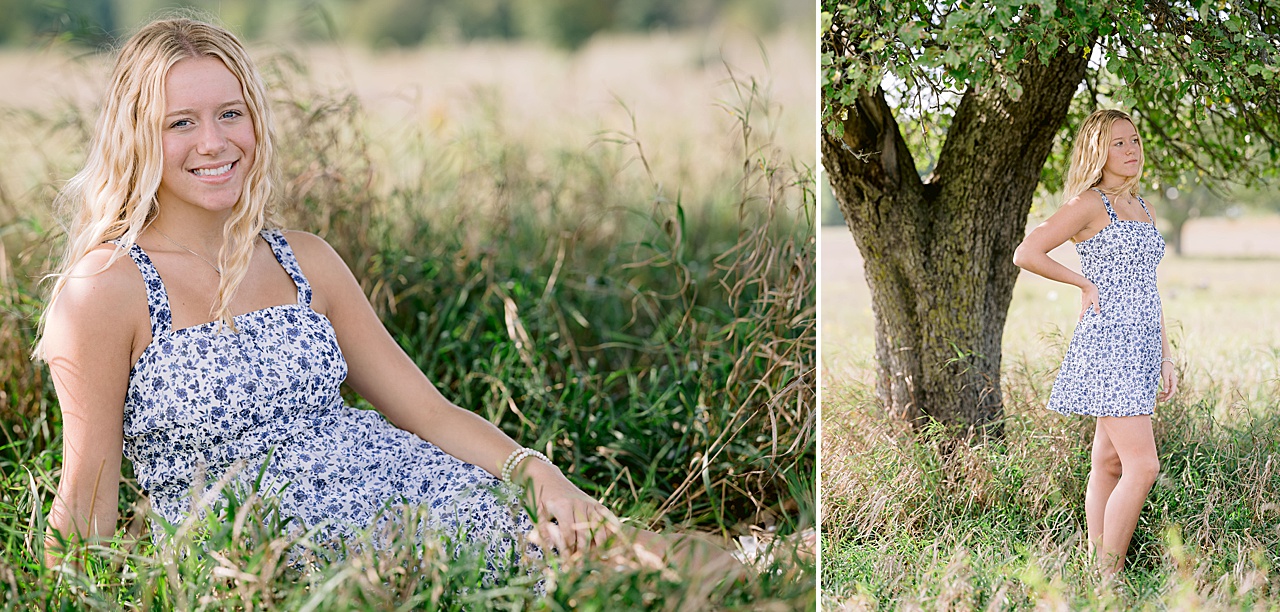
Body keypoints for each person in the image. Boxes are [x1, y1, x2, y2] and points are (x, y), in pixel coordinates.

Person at [34, 17, 736, 582]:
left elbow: (425, 410)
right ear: (136, 137)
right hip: (292, 554)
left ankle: (778, 565)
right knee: (608, 578)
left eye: (230, 113)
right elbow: (88, 492)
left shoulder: (303, 260)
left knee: (629, 553)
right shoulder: (105, 290)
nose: (214, 142)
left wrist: (538, 472)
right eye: (179, 122)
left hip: (413, 488)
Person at [1012, 108, 1178, 576]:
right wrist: (1084, 284)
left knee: (1108, 462)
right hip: (1110, 344)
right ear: (1097, 151)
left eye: (1134, 140)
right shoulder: (1090, 203)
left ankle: (1093, 573)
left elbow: (1148, 287)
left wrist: (1166, 355)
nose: (1130, 151)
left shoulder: (1140, 206)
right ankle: (1108, 578)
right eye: (1118, 143)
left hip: (1143, 344)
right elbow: (1027, 252)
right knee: (1142, 466)